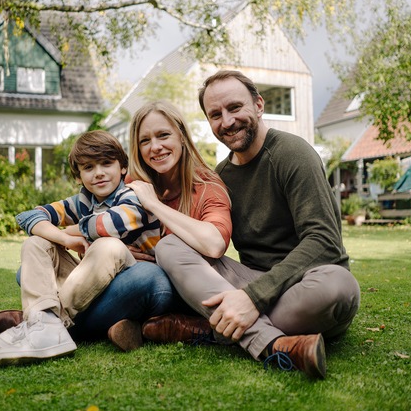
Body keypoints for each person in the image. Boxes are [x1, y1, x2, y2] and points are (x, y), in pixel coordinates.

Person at [144, 70, 361, 380]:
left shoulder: (293, 154)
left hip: (302, 287)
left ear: (259, 105)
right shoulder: (221, 176)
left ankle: (208, 328)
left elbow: (324, 242)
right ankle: (273, 344)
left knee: (340, 287)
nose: (227, 121)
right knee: (170, 246)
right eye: (215, 114)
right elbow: (207, 246)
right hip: (249, 281)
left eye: (235, 108)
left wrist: (252, 298)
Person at [0, 130, 165, 367]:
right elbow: (29, 217)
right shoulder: (83, 201)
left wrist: (70, 231)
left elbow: (108, 225)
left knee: (108, 245)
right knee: (36, 245)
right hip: (93, 285)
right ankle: (45, 322)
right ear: (79, 176)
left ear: (123, 167)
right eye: (89, 167)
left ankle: (45, 322)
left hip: (130, 282)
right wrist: (65, 240)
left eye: (106, 163)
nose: (99, 173)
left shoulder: (132, 194)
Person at [107, 100, 234, 343]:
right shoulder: (134, 183)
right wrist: (119, 248)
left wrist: (153, 204)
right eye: (145, 141)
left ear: (182, 138)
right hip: (131, 278)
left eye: (163, 135)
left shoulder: (208, 186)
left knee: (151, 280)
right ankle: (130, 326)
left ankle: (66, 326)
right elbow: (100, 229)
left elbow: (215, 245)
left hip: (179, 287)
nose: (155, 147)